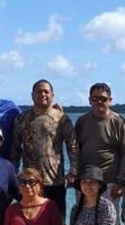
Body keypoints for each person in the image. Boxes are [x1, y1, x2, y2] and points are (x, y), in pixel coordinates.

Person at [74, 82, 125, 225]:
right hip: (86, 181)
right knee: (85, 221)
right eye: (95, 99)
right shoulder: (82, 121)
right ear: (89, 100)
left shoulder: (118, 121)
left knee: (112, 222)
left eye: (103, 99)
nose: (99, 102)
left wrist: (121, 181)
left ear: (110, 100)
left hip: (109, 180)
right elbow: (75, 150)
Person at [11, 79, 78, 217]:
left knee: (57, 224)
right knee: (31, 221)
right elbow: (16, 148)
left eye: (46, 91)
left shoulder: (62, 118)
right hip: (29, 182)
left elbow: (73, 146)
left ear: (52, 95)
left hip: (55, 181)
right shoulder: (22, 118)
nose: (42, 94)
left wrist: (73, 171)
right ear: (32, 95)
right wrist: (14, 175)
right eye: (39, 91)